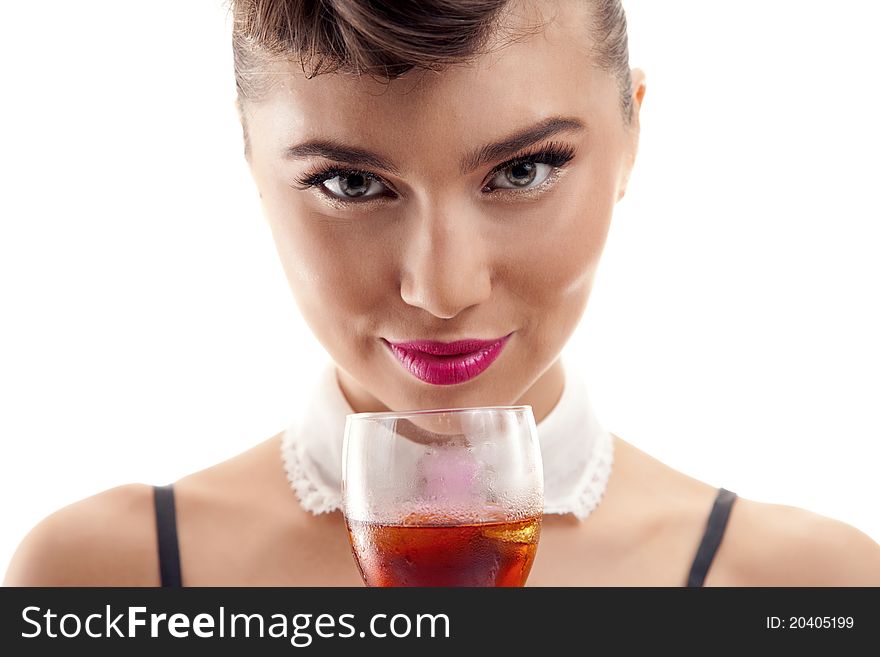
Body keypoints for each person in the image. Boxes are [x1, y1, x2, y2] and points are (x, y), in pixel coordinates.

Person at [5, 0, 880, 587]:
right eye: (350, 183)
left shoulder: (806, 590)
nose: (441, 287)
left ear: (633, 135)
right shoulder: (100, 578)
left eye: (524, 169)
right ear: (249, 160)